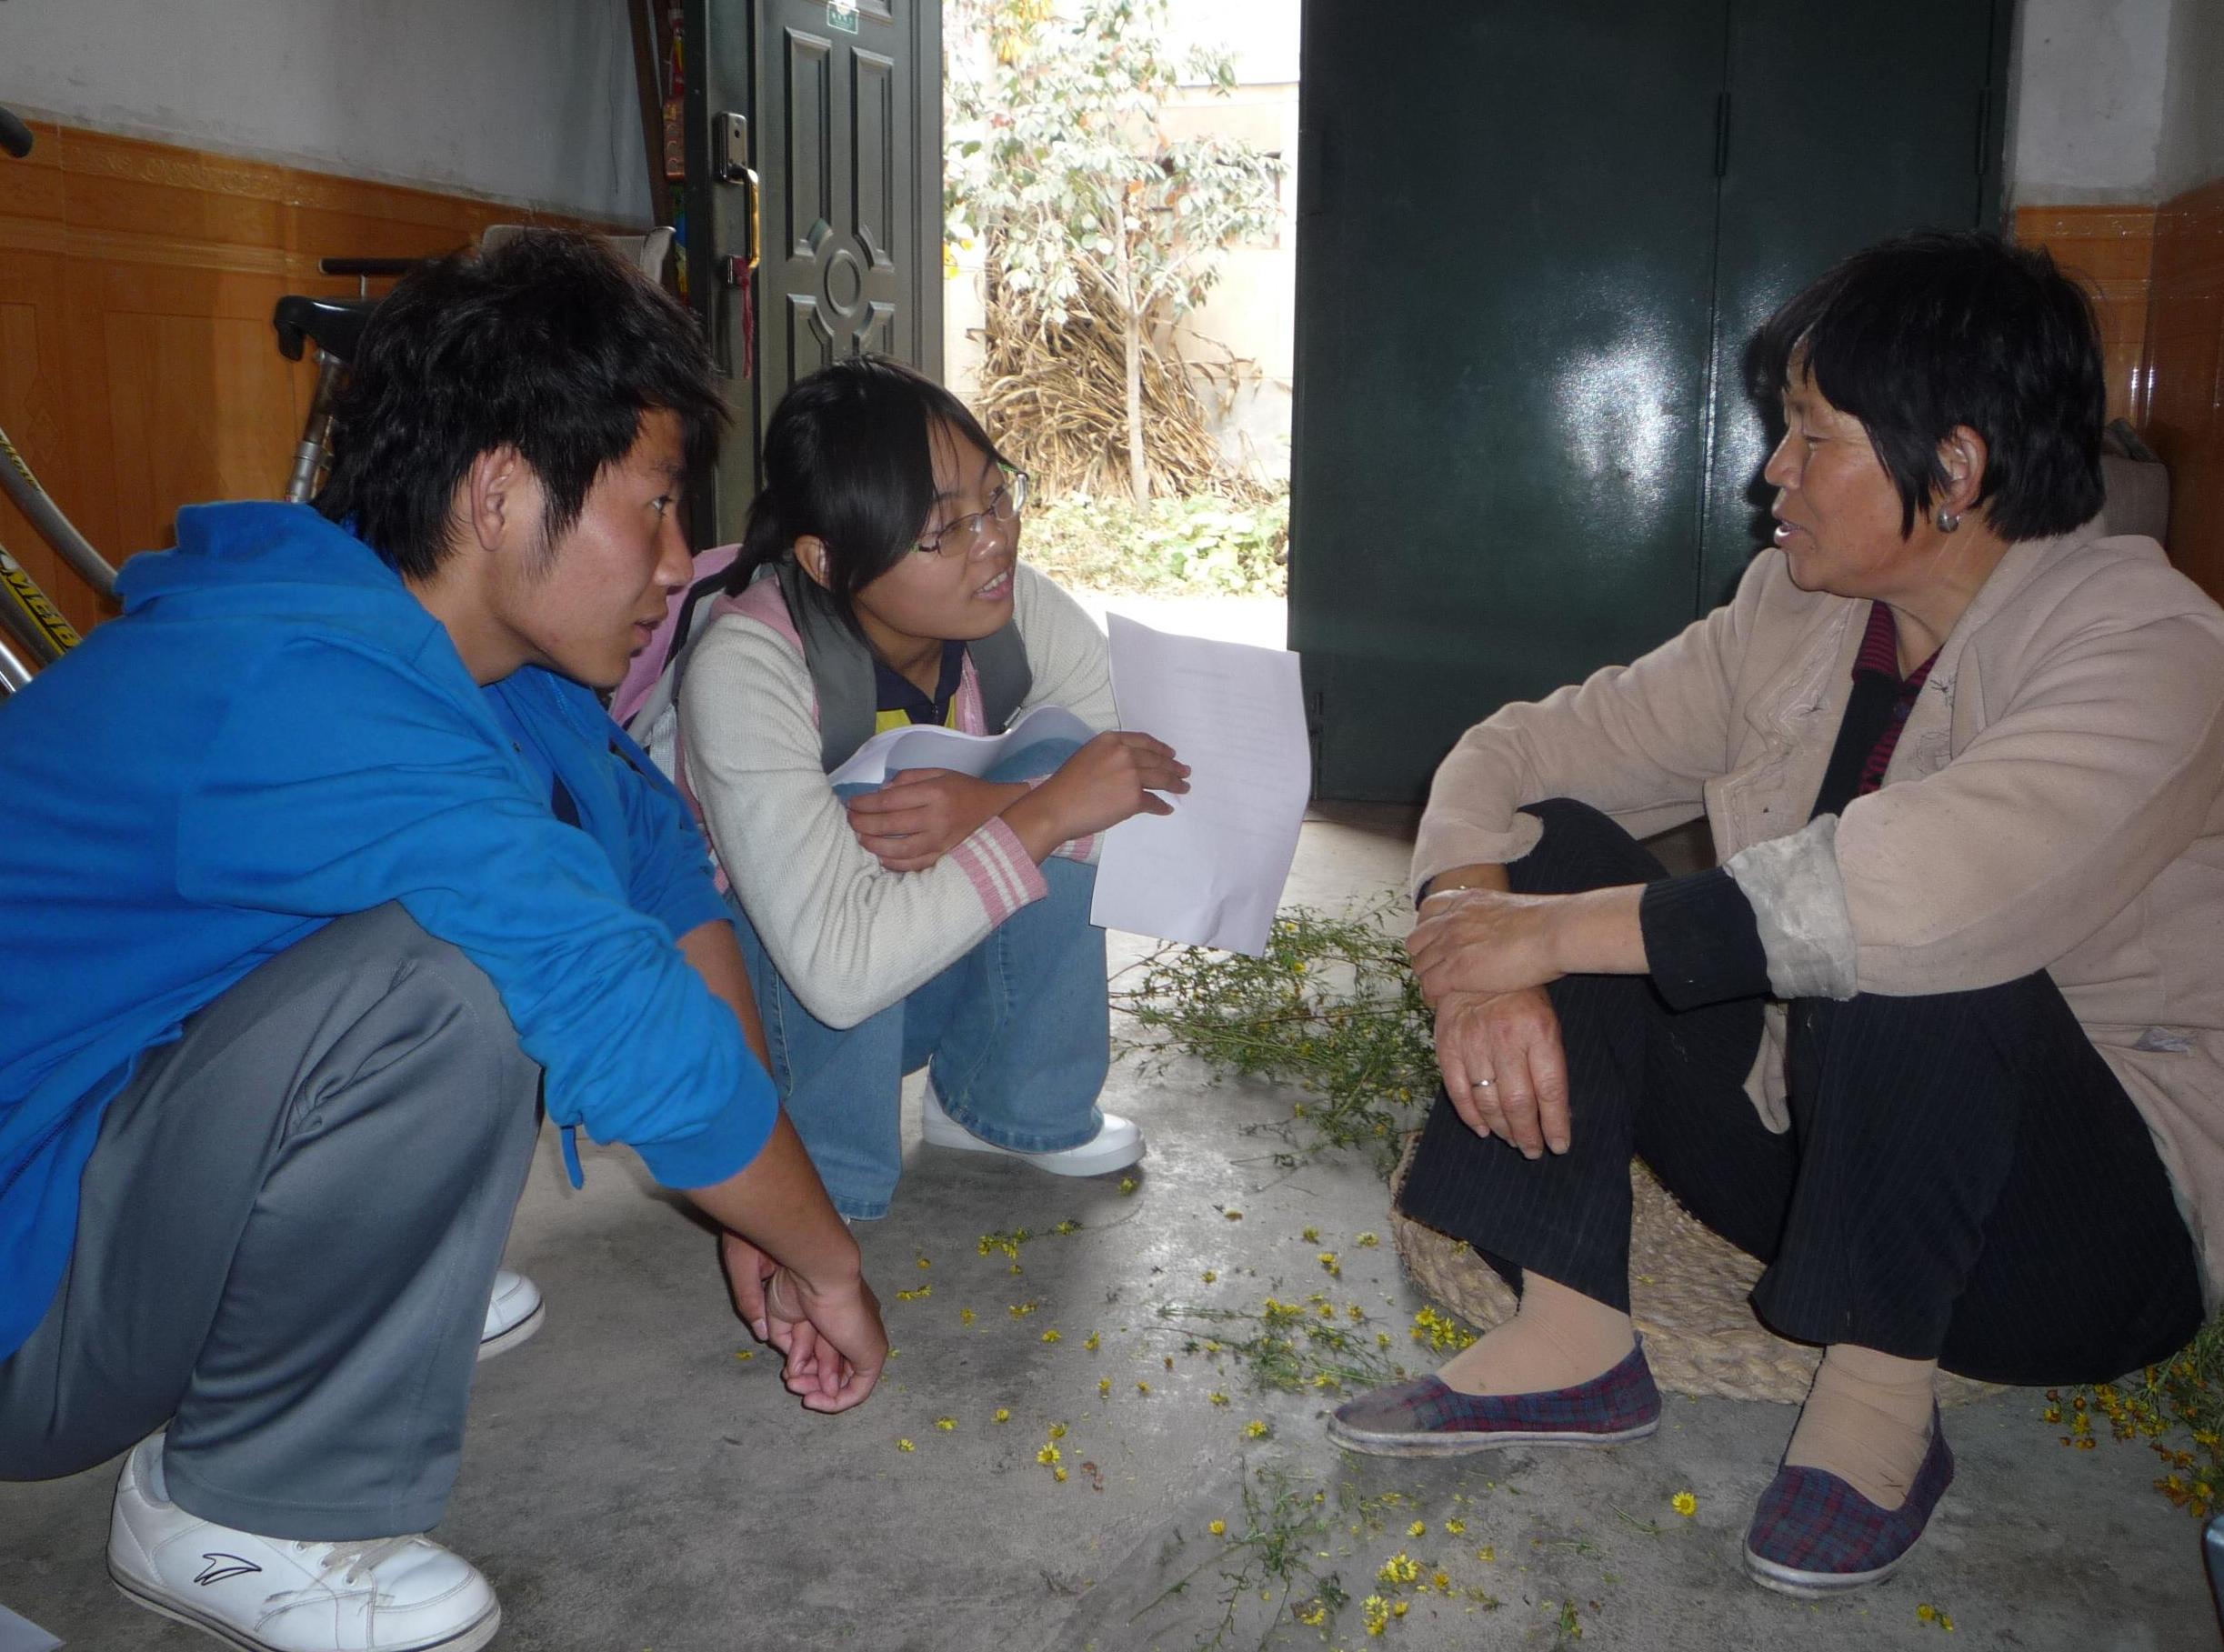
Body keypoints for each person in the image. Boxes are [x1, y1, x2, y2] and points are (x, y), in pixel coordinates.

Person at [0, 231, 886, 1652]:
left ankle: (339, 1299)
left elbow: (664, 881)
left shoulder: (493, 675)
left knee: (517, 916)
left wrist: (751, 1220)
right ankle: (240, 1500)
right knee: (452, 979)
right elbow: (622, 1011)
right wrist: (823, 1256)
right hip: (22, 1303)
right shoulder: (299, 689)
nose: (678, 564)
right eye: (657, 504)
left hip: (92, 1193)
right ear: (500, 490)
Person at [1325, 231, 2224, 1597]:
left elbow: (1917, 893)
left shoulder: (2149, 648)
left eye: (1811, 436)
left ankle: (1875, 1407)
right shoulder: (1799, 614)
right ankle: (1571, 1336)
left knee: (1903, 942)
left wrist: (1555, 937)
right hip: (1824, 1158)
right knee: (1550, 843)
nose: (1770, 475)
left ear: (1954, 468)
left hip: (2075, 1236)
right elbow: (1516, 753)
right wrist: (1473, 935)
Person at [670, 357, 1188, 1221]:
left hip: (914, 976)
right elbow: (836, 974)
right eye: (942, 528)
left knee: (1065, 756)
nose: (995, 540)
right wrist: (1039, 814)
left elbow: (1146, 798)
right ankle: (820, 1170)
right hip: (772, 1010)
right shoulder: (749, 668)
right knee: (877, 816)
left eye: (997, 497)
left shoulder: (1016, 611)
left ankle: (1004, 1102)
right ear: (826, 559)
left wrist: (999, 807)